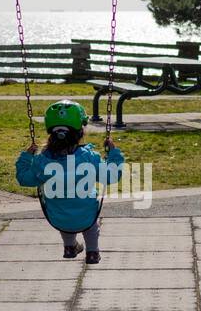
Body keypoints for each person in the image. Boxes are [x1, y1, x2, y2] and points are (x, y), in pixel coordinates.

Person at [15, 100, 125, 264]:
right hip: (86, 214)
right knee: (89, 223)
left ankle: (70, 247)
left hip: (57, 218)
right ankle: (93, 252)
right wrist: (114, 154)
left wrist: (26, 157)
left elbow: (24, 179)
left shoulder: (42, 161)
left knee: (66, 214)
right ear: (80, 132)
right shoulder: (89, 158)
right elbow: (111, 176)